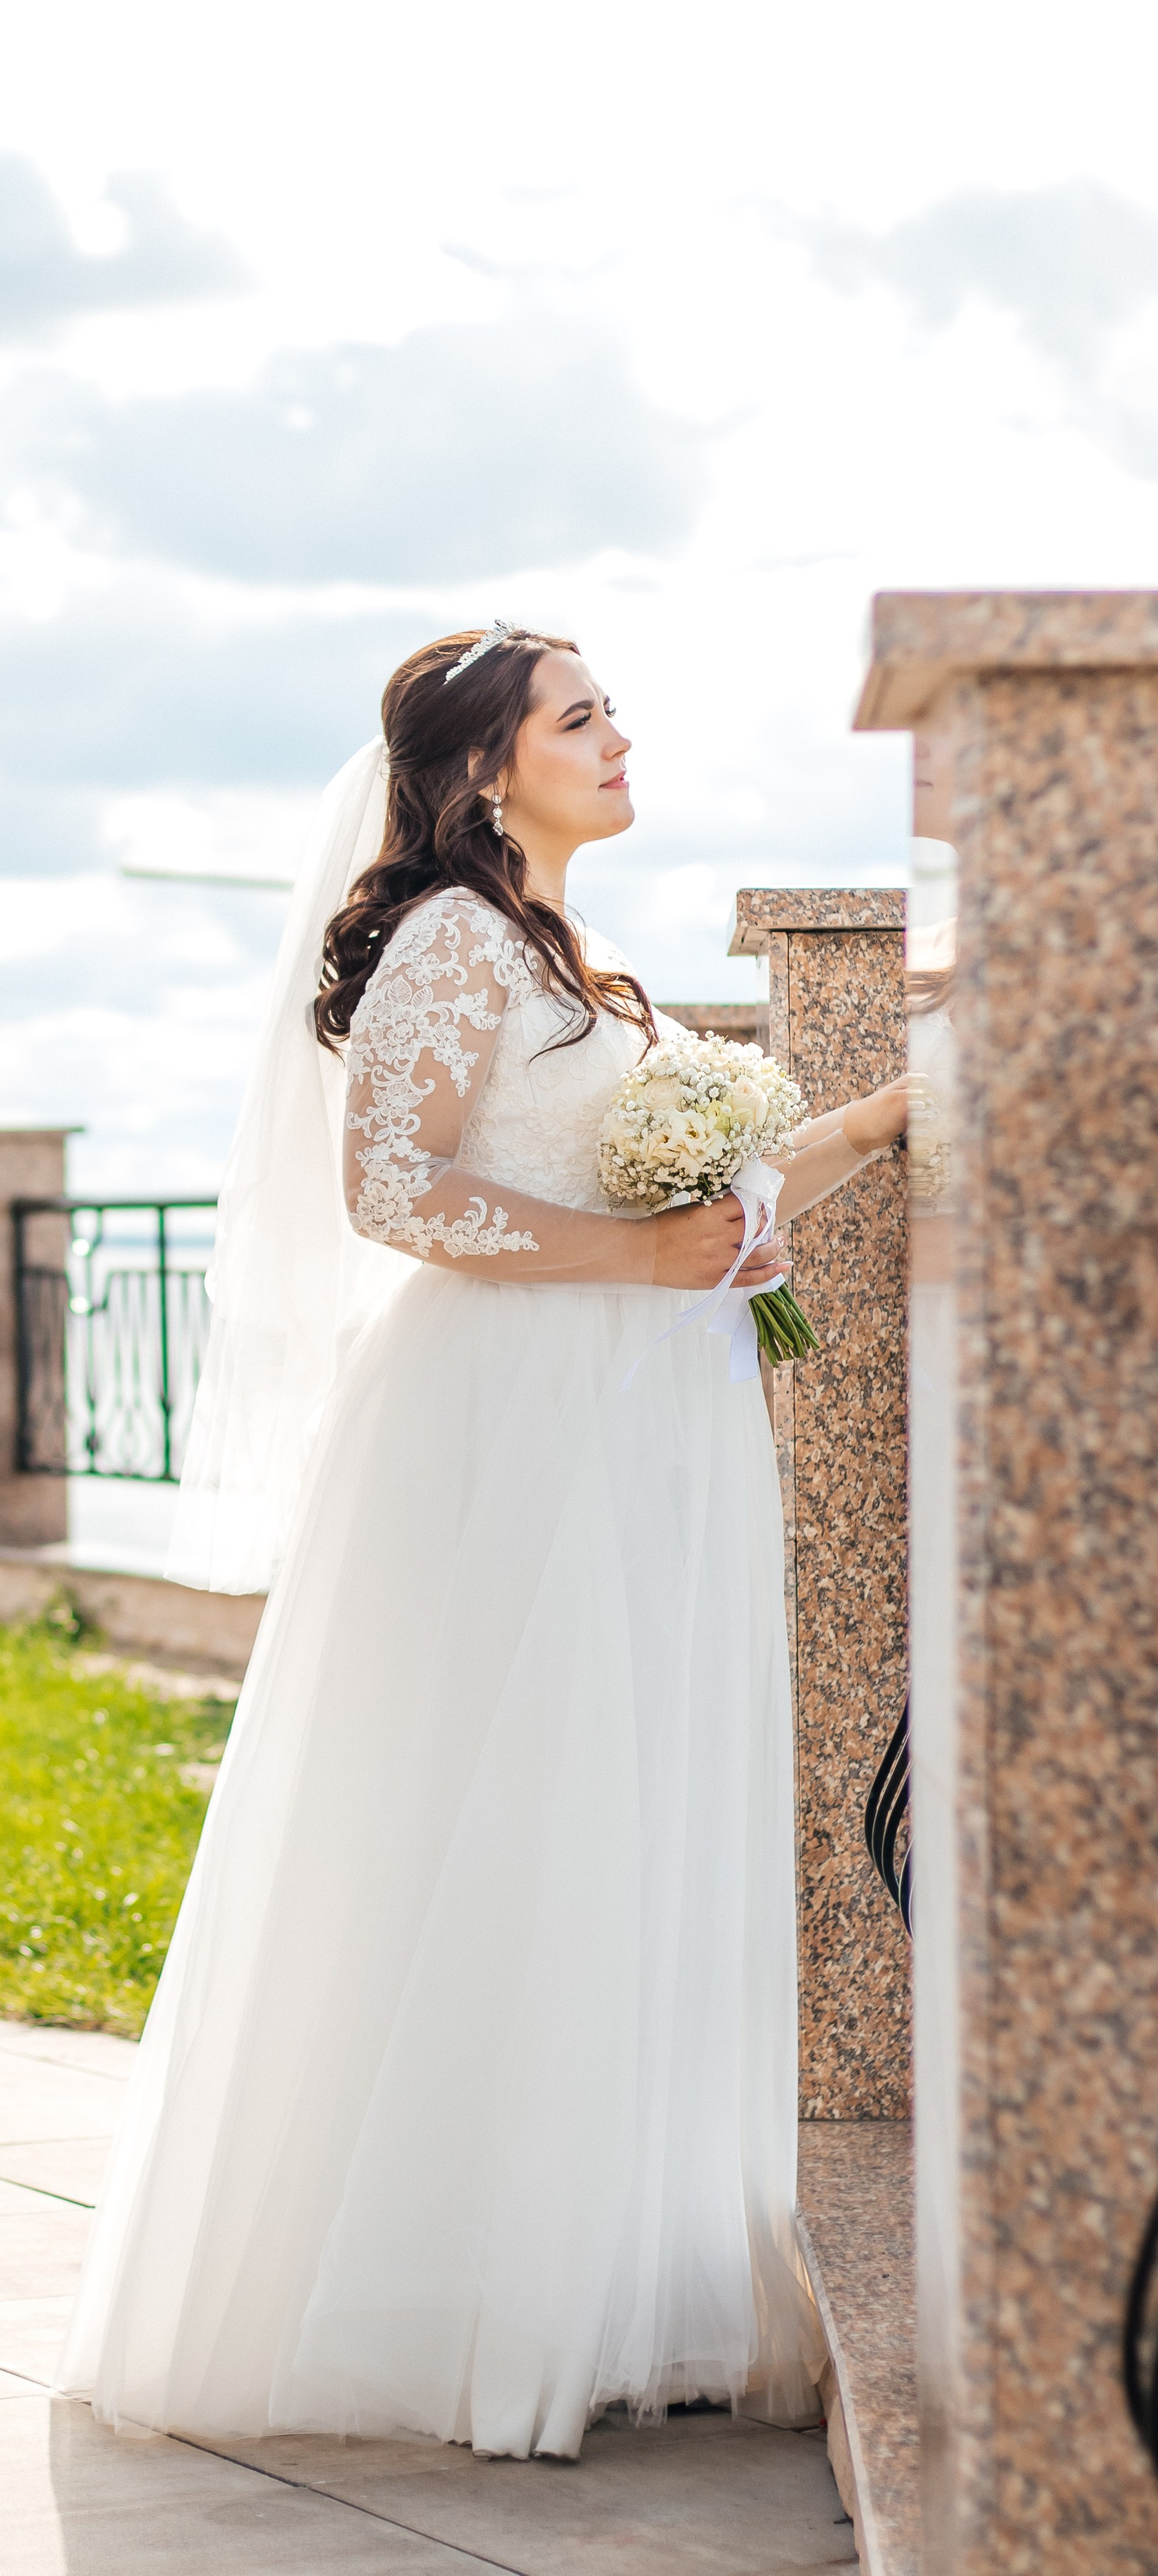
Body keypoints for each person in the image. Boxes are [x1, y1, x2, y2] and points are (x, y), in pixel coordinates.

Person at [57, 624, 910, 2460]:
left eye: (613, 710)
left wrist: (889, 1118)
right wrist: (638, 1257)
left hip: (639, 1425)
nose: (620, 736)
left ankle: (605, 2278)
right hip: (511, 1431)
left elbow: (720, 1215)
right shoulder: (450, 938)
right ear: (482, 768)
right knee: (511, 1823)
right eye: (580, 716)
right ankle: (466, 2305)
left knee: (623, 1825)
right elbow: (395, 1189)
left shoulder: (572, 963)